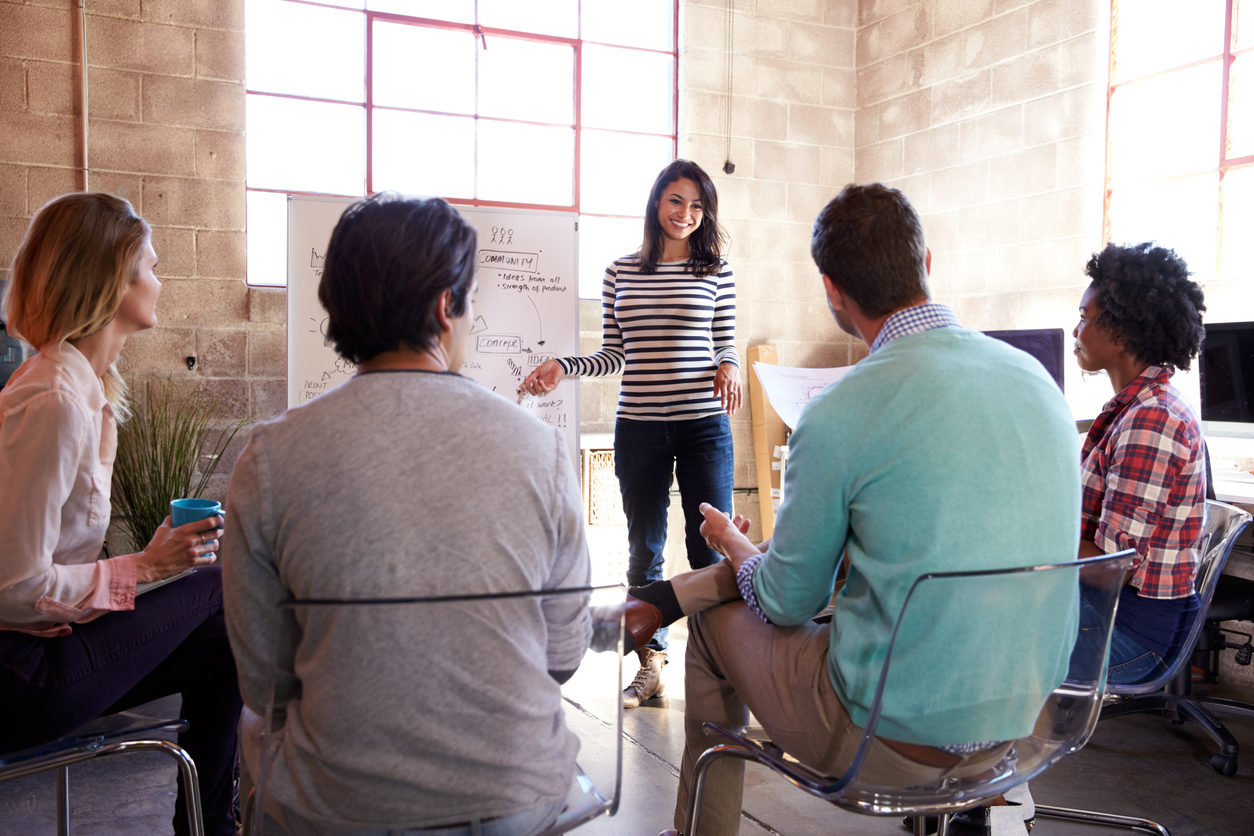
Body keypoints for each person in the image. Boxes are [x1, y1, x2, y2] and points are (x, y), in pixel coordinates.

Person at [642, 183, 1082, 836]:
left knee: (712, 630)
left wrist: (738, 546)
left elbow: (786, 603)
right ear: (927, 261)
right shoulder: (1036, 381)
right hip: (1029, 726)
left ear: (832, 291)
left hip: (891, 742)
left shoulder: (841, 411)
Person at [222, 193, 592, 836]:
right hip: (514, 798)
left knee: (253, 734)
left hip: (337, 809)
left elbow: (266, 683)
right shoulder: (542, 450)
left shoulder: (270, 459)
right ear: (446, 306)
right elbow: (564, 652)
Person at [0, 192, 240, 836]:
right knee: (224, 589)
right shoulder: (52, 400)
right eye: (152, 266)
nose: (160, 282)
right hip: (19, 676)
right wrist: (146, 565)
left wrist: (154, 569)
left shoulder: (82, 390)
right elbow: (15, 588)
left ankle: (210, 823)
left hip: (44, 650)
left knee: (225, 640)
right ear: (114, 277)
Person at [520, 159, 740, 708]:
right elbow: (615, 354)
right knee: (645, 547)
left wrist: (730, 367)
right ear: (656, 202)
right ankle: (652, 665)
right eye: (676, 201)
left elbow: (726, 343)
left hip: (703, 427)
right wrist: (562, 367)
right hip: (640, 427)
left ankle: (719, 669)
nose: (685, 214)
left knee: (709, 545)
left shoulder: (716, 271)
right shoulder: (621, 271)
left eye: (697, 205)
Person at [1073, 242, 1207, 683]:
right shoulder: (1135, 406)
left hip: (1131, 635)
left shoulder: (1152, 418)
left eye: (1085, 318)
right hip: (1109, 610)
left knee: (976, 631)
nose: (1076, 331)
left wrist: (1029, 530)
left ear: (1121, 333)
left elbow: (1110, 567)